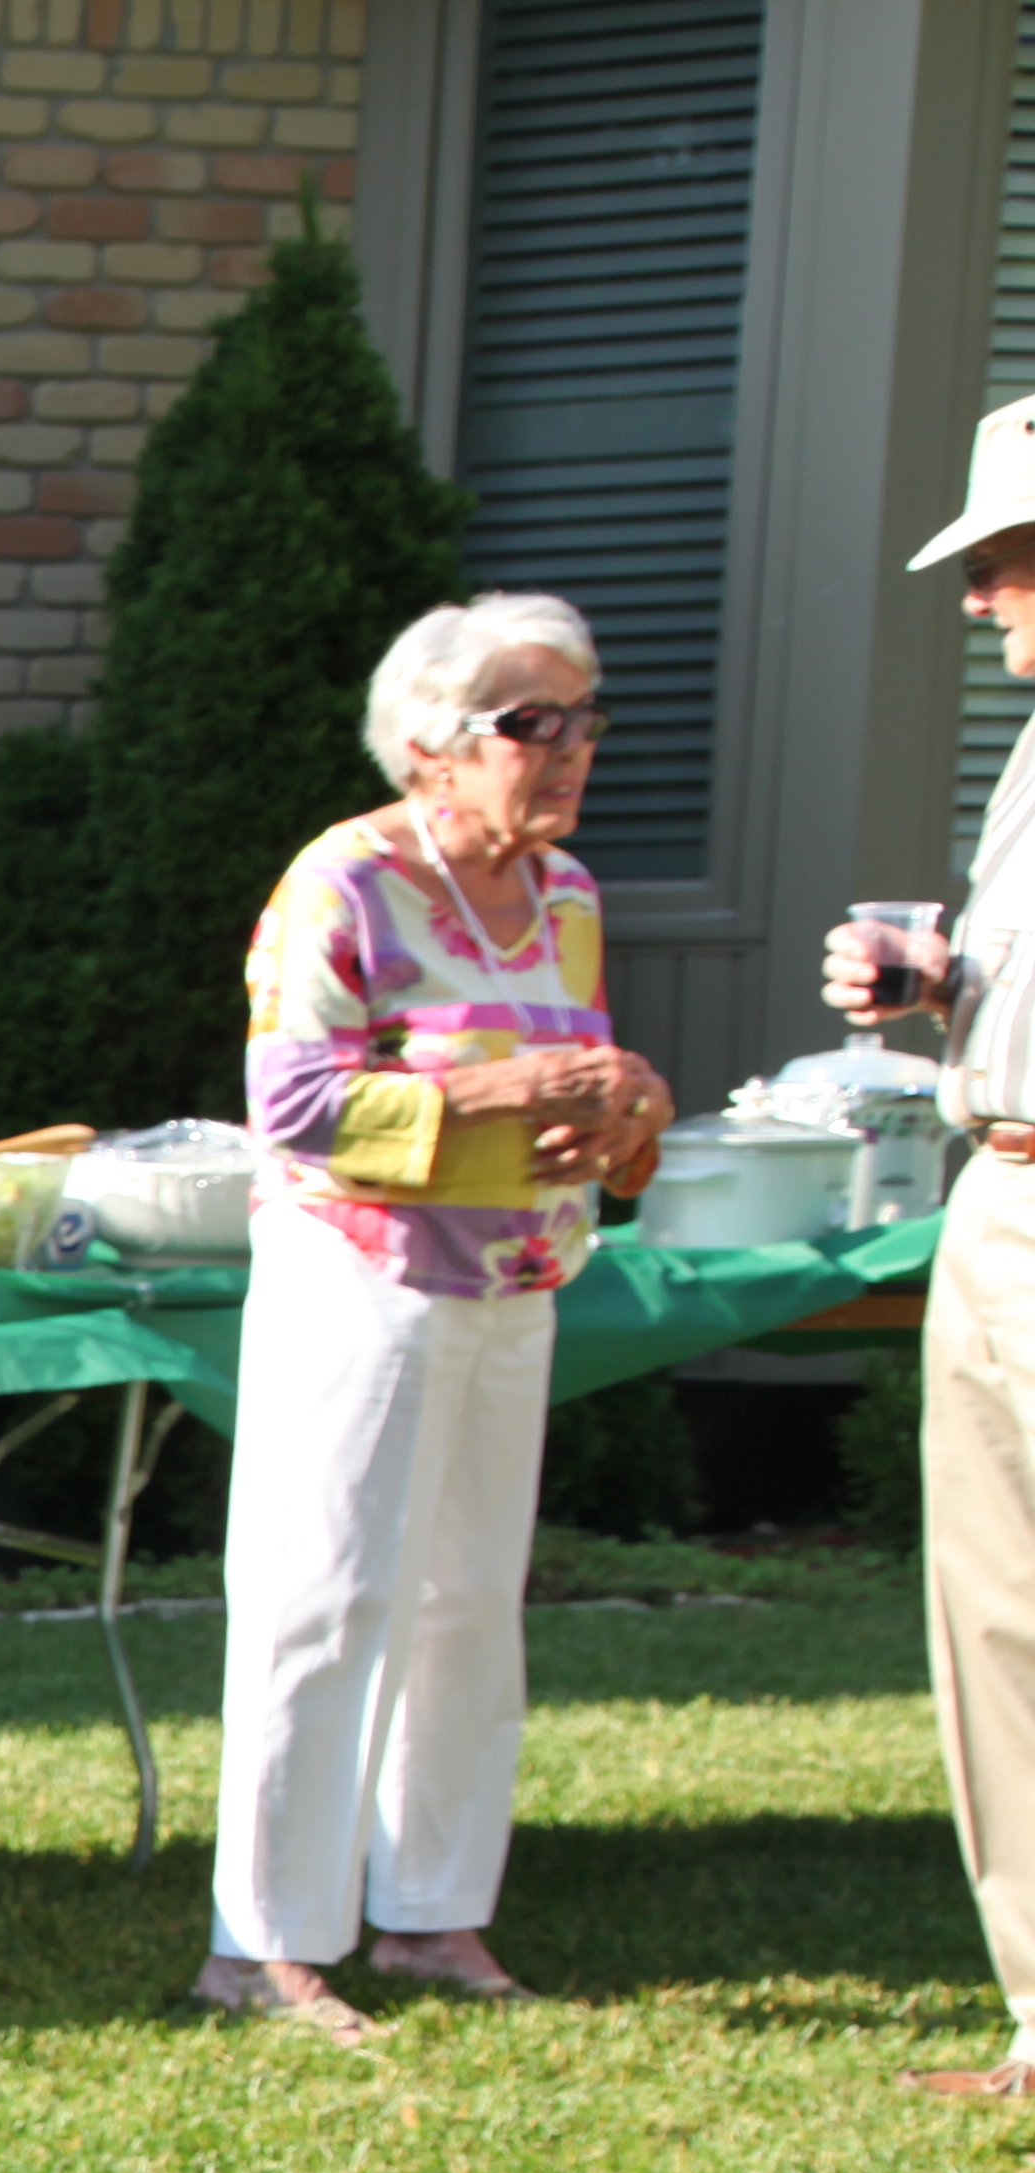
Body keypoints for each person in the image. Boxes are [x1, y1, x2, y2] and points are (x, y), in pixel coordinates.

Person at [198, 592, 677, 2041]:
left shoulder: (570, 896)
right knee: (321, 1596)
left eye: (585, 718)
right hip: (360, 1278)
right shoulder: (343, 881)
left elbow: (587, 1082)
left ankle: (433, 1915)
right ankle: (262, 1946)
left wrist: (633, 1106)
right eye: (535, 722)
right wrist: (493, 1088)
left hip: (513, 1282)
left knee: (472, 1604)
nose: (571, 747)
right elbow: (288, 1105)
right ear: (429, 746)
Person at [825, 395, 1035, 2098]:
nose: (979, 598)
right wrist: (936, 990)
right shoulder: (1031, 746)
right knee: (997, 1622)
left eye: (1005, 559)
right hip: (995, 1190)